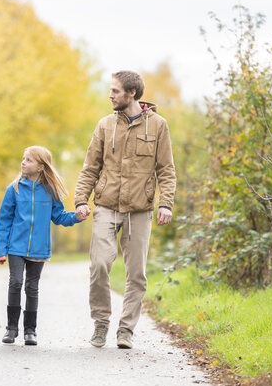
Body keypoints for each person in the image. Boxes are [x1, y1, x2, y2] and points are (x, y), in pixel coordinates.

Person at [75, 70, 176, 349]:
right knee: (99, 264)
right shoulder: (105, 125)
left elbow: (166, 170)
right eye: (110, 90)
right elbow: (89, 168)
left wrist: (165, 203)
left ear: (131, 93)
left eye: (115, 91)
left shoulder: (158, 126)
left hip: (140, 210)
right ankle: (101, 322)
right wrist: (81, 200)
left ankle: (126, 330)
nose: (110, 95)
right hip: (106, 205)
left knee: (136, 274)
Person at [0, 146, 84, 346]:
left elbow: (59, 216)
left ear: (41, 167)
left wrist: (76, 217)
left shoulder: (50, 191)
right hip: (15, 247)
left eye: (29, 160)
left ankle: (30, 330)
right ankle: (11, 328)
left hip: (39, 247)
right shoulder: (14, 189)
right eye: (23, 158)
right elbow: (3, 221)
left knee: (32, 287)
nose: (23, 162)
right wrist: (1, 249)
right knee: (16, 282)